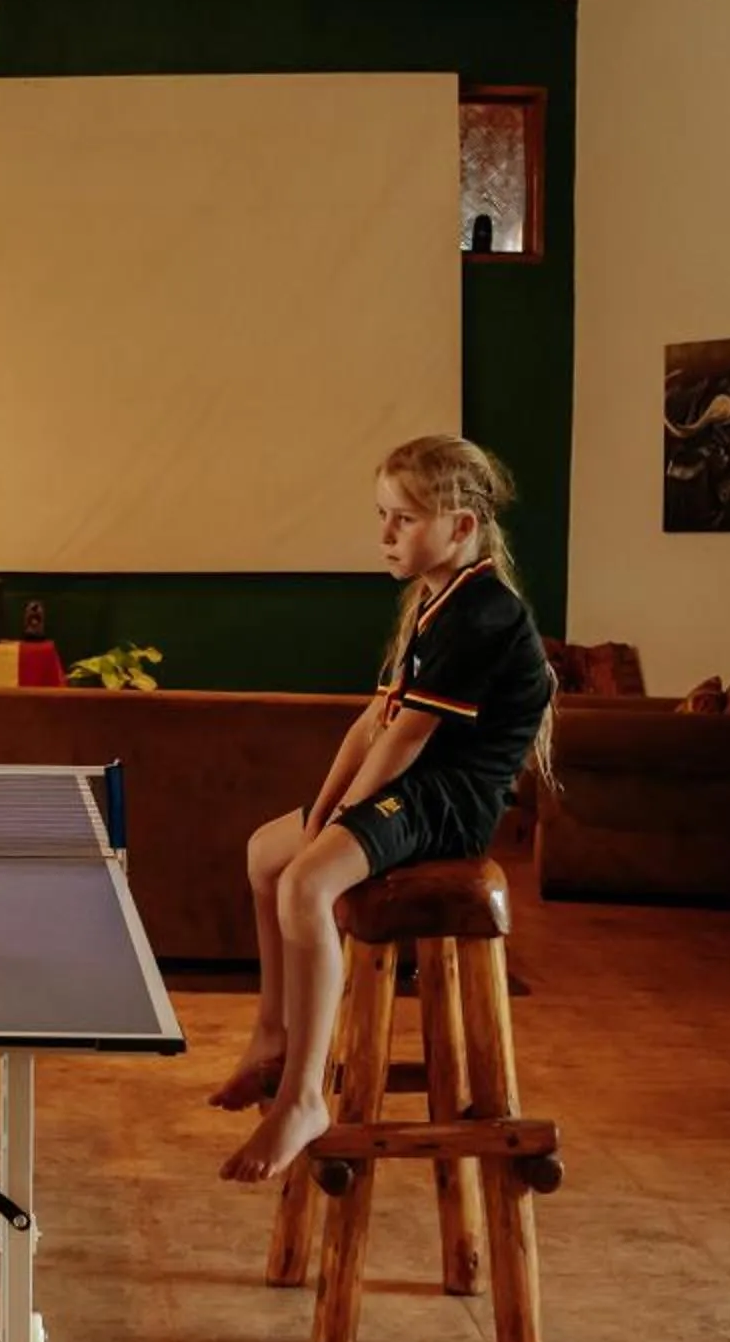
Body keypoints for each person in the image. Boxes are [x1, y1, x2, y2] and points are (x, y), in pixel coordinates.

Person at [209, 434, 556, 1183]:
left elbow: (405, 741)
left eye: (403, 519)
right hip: (415, 785)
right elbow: (371, 722)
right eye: (383, 516)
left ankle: (304, 1098)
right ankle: (270, 1033)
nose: (385, 535)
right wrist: (323, 814)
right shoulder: (435, 601)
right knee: (267, 854)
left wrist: (335, 836)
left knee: (306, 885)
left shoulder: (485, 614)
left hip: (449, 803)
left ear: (462, 527)